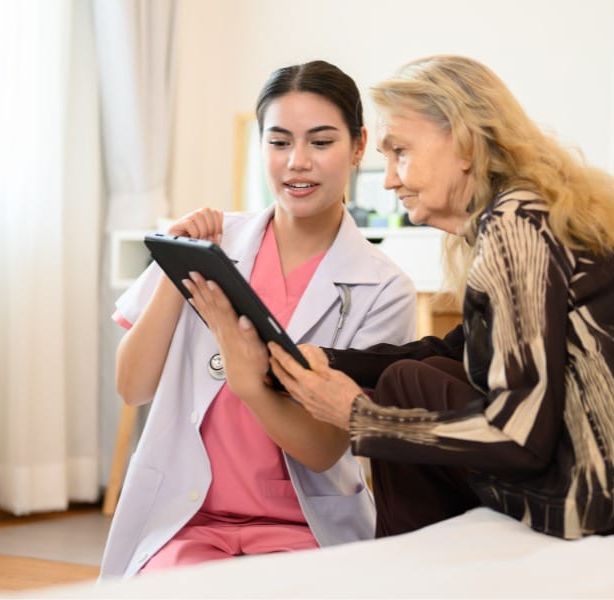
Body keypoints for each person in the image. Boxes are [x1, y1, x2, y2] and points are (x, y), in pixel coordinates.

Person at [205, 54, 614, 540]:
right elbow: (456, 346)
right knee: (418, 373)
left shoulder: (519, 230)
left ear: (463, 144)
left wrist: (359, 416)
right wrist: (331, 361)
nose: (389, 179)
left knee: (402, 388)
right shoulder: (537, 212)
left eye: (401, 153)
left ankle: (408, 567)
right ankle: (425, 552)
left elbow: (520, 439)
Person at [99, 60, 417, 578]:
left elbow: (322, 449)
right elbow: (132, 386)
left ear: (359, 146)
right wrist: (175, 266)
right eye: (279, 142)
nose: (297, 163)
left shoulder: (384, 289)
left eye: (321, 142)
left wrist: (250, 382)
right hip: (187, 522)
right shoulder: (208, 243)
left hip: (303, 530)